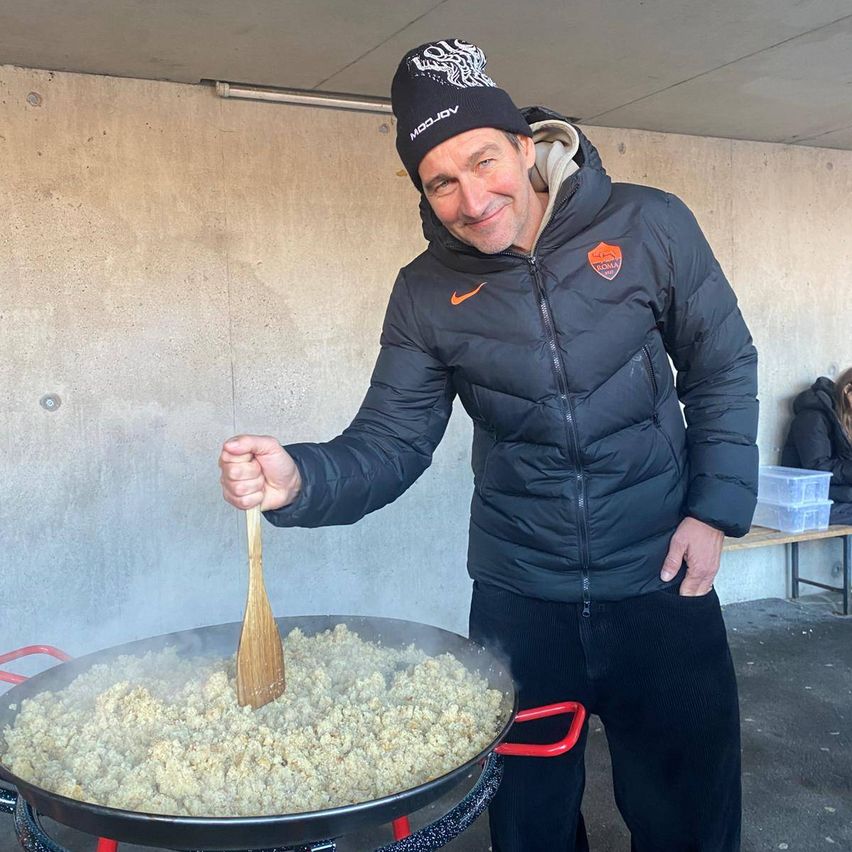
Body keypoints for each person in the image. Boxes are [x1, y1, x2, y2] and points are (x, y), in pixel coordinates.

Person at [219, 38, 758, 852]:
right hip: (520, 597)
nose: (472, 199)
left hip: (662, 581)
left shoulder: (650, 223)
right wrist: (301, 479)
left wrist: (713, 513)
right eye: (441, 180)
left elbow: (721, 367)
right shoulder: (426, 291)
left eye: (483, 159)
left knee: (690, 812)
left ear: (526, 143)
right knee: (529, 820)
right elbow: (391, 442)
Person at [781, 368, 852, 524]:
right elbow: (817, 468)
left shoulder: (848, 418)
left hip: (836, 495)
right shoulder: (812, 417)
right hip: (806, 499)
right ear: (847, 390)